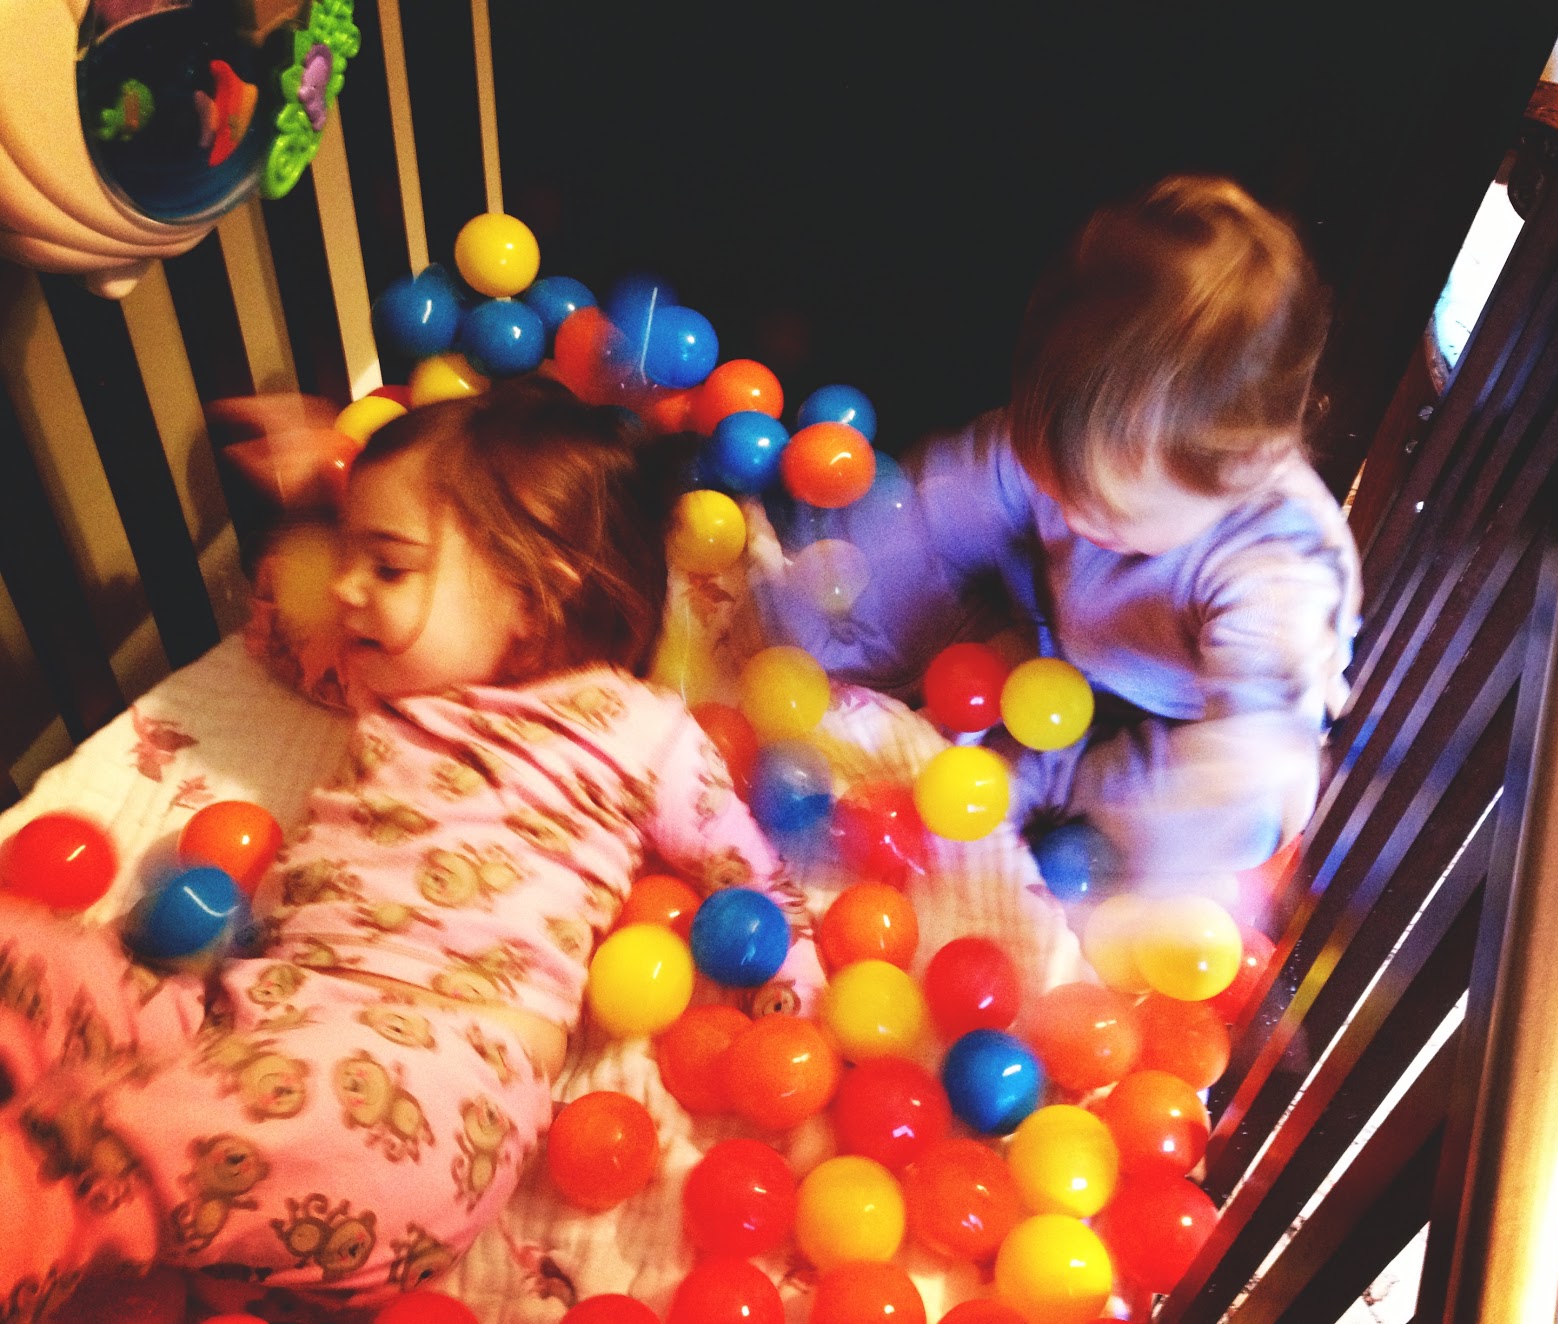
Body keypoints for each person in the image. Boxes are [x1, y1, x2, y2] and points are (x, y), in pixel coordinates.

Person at [0, 378, 822, 1323]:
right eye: (351, 559)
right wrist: (318, 494)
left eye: (389, 567)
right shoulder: (386, 683)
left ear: (535, 595)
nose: (345, 587)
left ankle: (43, 1194)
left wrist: (791, 1006)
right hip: (236, 1021)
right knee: (33, 954)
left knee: (111, 1138)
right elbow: (277, 633)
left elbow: (747, 875)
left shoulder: (637, 726)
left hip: (421, 1101)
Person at [755, 175, 1362, 891]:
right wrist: (827, 592)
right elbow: (944, 497)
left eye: (1111, 512)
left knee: (1212, 807)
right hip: (1052, 636)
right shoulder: (1084, 445)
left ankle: (1051, 797)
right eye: (1057, 483)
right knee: (913, 544)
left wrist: (1168, 836)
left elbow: (1254, 762)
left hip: (1169, 715)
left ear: (1247, 467)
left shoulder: (1281, 567)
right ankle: (984, 743)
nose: (1073, 517)